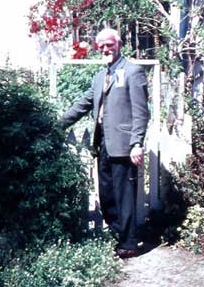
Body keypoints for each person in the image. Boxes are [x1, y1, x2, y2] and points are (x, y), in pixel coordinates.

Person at [60, 28, 149, 258]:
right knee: (107, 195)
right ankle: (120, 236)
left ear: (119, 44)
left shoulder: (133, 71)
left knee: (124, 196)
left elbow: (141, 112)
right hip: (103, 146)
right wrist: (57, 124)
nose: (105, 49)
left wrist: (137, 143)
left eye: (109, 44)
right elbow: (83, 104)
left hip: (124, 146)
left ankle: (129, 244)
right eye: (101, 46)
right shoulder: (100, 76)